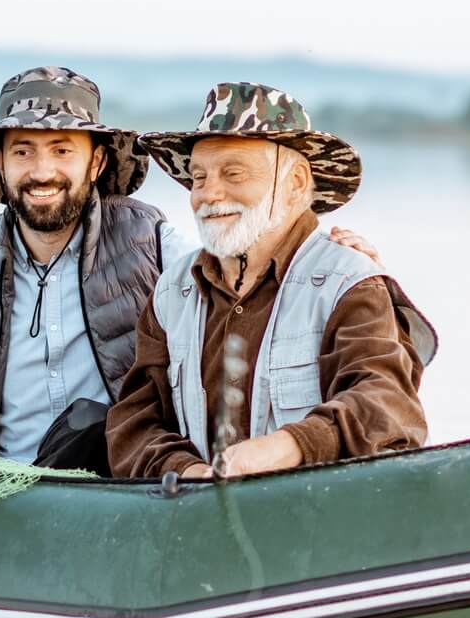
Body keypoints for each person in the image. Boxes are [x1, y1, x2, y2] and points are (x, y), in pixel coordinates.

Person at [0, 68, 381, 474]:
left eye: (62, 150)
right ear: (2, 166)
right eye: (23, 152)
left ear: (96, 164)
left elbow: (237, 290)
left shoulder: (155, 242)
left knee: (94, 420)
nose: (43, 171)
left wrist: (324, 268)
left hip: (101, 463)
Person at [106, 83, 437, 481]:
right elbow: (133, 422)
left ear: (296, 182)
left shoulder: (350, 281)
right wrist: (185, 470)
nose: (209, 194)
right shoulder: (172, 289)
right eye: (198, 178)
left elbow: (387, 405)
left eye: (233, 173)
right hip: (200, 520)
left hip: (320, 526)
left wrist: (287, 447)